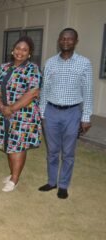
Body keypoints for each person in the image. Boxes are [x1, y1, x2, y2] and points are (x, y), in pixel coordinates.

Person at [38, 28, 93, 199]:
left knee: (68, 153)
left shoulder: (84, 63)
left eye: (69, 39)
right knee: (52, 151)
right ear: (59, 41)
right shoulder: (50, 63)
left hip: (72, 113)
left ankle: (63, 185)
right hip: (51, 112)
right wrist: (42, 113)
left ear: (76, 41)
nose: (65, 41)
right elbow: (44, 90)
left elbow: (88, 91)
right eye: (62, 38)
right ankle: (52, 181)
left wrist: (86, 117)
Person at [0, 36, 42, 192]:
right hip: (4, 112)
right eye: (18, 48)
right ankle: (13, 173)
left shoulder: (32, 69)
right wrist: (1, 105)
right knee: (9, 144)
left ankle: (15, 179)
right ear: (13, 50)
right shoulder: (4, 67)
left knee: (18, 146)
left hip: (23, 115)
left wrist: (11, 108)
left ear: (29, 53)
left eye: (25, 50)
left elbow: (32, 93)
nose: (20, 52)